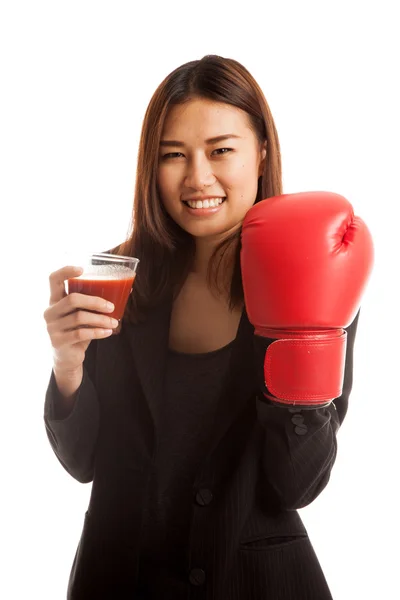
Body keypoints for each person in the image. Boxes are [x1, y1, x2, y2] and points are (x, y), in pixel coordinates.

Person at [43, 55, 373, 599]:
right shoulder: (116, 279)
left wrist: (299, 338)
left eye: (221, 150)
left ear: (262, 153)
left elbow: (298, 483)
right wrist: (67, 365)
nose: (198, 178)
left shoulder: (312, 278)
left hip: (257, 584)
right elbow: (83, 464)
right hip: (119, 580)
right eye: (174, 155)